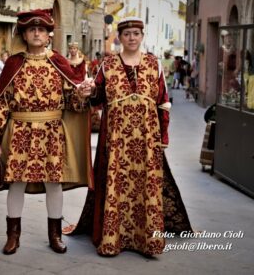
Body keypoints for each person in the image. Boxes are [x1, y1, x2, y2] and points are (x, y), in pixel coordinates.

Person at [64, 17, 192, 257]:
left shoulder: (154, 64)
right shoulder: (108, 64)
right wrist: (89, 91)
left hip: (146, 141)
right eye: (127, 34)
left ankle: (147, 241)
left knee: (146, 187)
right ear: (120, 38)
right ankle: (113, 239)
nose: (132, 38)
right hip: (116, 142)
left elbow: (163, 102)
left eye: (136, 33)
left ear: (142, 36)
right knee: (117, 186)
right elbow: (97, 98)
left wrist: (163, 136)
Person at [0, 9, 92, 255]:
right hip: (20, 131)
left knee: (54, 183)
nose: (36, 33)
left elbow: (72, 103)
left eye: (41, 29)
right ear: (23, 33)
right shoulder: (13, 63)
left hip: (52, 132)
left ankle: (54, 235)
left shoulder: (59, 62)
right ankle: (13, 236)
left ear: (48, 35)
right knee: (16, 184)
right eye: (31, 29)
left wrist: (81, 95)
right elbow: (1, 102)